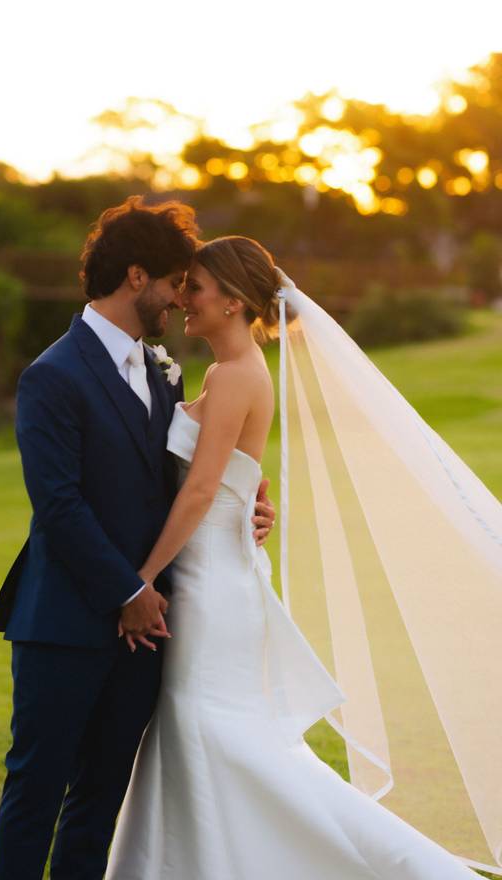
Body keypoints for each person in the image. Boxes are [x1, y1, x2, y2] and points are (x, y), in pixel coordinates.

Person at [106, 235, 488, 879]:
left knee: (208, 728)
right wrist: (254, 502)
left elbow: (200, 490)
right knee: (202, 731)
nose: (183, 298)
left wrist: (138, 580)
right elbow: (232, 479)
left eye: (195, 287)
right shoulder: (226, 372)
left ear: (232, 301)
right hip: (212, 573)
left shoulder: (236, 375)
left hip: (211, 587)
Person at [0, 199, 275, 880]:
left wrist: (247, 508)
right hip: (65, 620)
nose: (180, 298)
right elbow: (58, 505)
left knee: (101, 797)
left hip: (150, 630)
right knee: (36, 790)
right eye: (175, 282)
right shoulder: (52, 375)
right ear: (137, 276)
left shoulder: (164, 370)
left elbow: (186, 480)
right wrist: (128, 590)